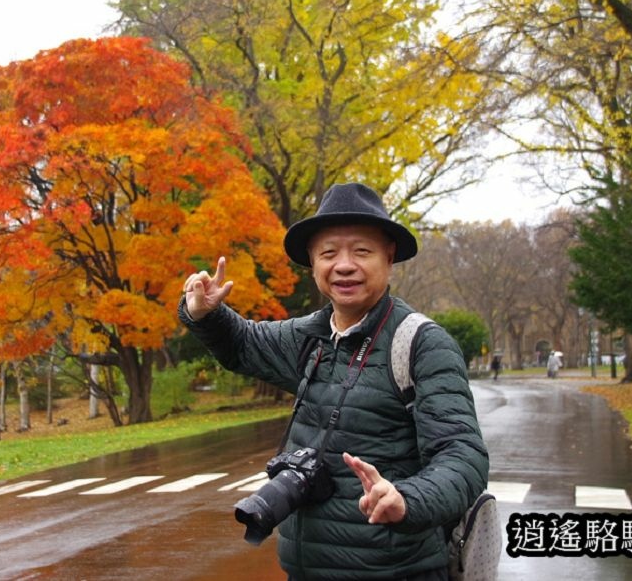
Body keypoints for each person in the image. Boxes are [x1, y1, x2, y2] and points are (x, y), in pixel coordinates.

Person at [179, 183, 489, 580]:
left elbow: (463, 456)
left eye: (362, 251)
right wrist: (206, 314)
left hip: (398, 572)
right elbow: (243, 344)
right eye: (329, 253)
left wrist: (407, 498)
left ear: (388, 258)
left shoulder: (421, 344)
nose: (344, 265)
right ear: (312, 262)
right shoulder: (309, 336)